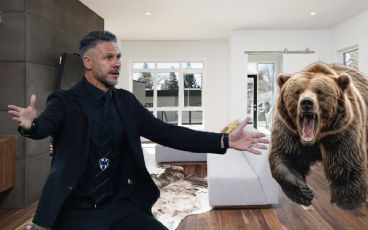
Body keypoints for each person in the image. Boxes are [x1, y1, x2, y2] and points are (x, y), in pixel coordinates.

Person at [7, 31, 269, 230]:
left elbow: (168, 132)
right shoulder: (64, 100)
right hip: (77, 210)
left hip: (122, 206)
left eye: (118, 56)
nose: (116, 63)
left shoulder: (126, 102)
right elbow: (45, 125)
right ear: (87, 62)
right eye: (108, 57)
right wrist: (32, 126)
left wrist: (225, 140)